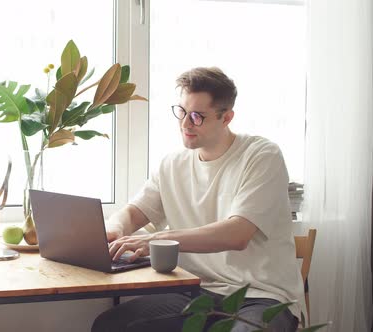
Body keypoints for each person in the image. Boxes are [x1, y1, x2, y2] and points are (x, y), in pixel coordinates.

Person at [91, 67, 304, 332]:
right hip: (195, 293)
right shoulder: (172, 164)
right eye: (181, 111)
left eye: (197, 116)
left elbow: (237, 234)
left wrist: (155, 240)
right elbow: (136, 211)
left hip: (260, 296)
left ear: (227, 117)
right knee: (111, 325)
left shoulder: (261, 155)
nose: (184, 124)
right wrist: (115, 228)